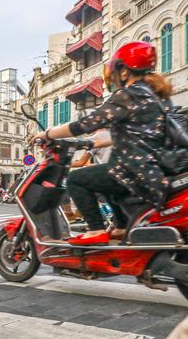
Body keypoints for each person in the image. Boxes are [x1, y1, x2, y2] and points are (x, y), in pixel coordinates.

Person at [31, 41, 171, 245]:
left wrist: (49, 134)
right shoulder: (153, 97)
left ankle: (96, 230)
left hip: (132, 169)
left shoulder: (128, 95)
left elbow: (87, 124)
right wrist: (89, 143)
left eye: (116, 70)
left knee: (76, 179)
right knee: (105, 179)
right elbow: (114, 135)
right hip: (148, 169)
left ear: (124, 72)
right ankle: (121, 227)